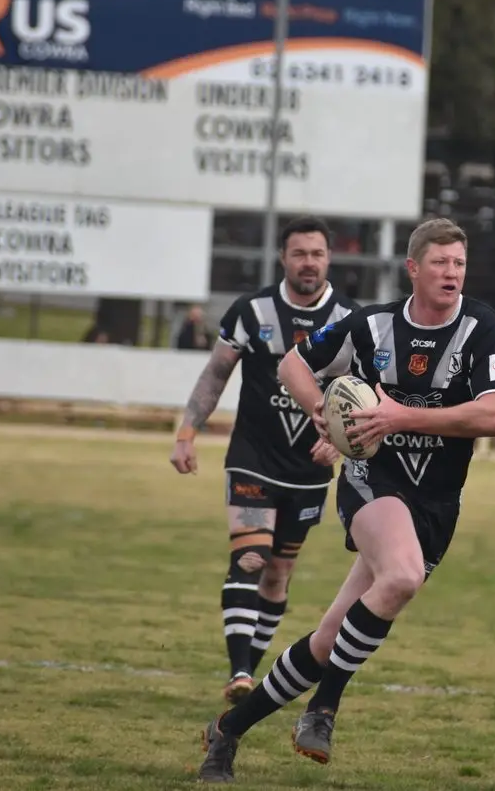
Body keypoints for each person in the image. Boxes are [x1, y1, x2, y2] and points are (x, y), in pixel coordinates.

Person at [197, 217, 495, 782]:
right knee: (402, 577)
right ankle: (324, 708)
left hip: (438, 501)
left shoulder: (482, 327)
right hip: (374, 481)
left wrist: (400, 415)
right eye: (440, 262)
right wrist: (322, 412)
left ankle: (227, 731)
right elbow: (292, 364)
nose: (452, 273)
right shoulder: (371, 326)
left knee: (328, 639)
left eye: (459, 263)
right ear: (413, 268)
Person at [170, 216, 360, 704]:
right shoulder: (251, 311)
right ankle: (239, 672)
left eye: (317, 254)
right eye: (299, 254)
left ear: (329, 258)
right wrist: (187, 431)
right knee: (250, 557)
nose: (308, 263)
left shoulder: (350, 319)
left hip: (309, 468)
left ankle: (246, 676)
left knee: (278, 574)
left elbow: (367, 394)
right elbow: (216, 374)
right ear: (283, 258)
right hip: (253, 457)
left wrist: (340, 443)